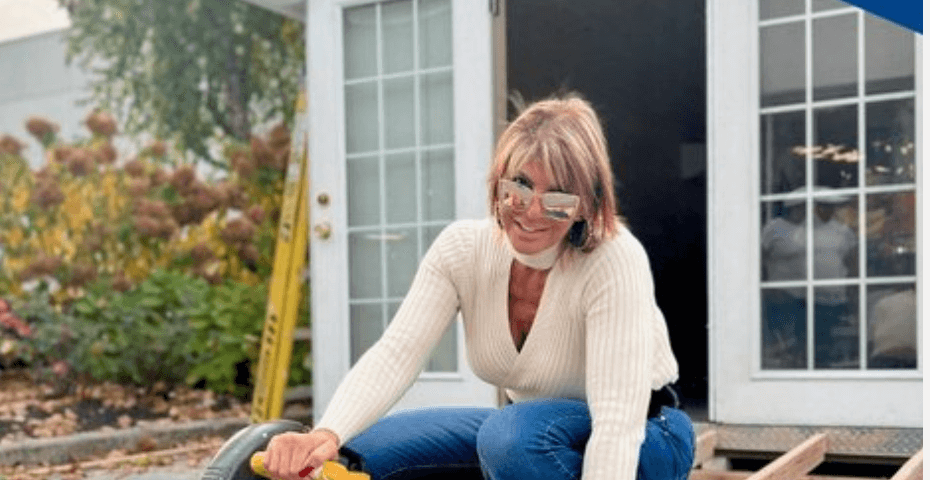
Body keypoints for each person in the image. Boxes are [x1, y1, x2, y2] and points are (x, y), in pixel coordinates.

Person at [263, 94, 694, 480]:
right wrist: (326, 432)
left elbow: (618, 421)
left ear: (586, 207)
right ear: (498, 181)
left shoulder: (614, 259)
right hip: (535, 431)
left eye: (559, 198)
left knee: (511, 440)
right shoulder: (462, 250)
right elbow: (396, 354)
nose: (532, 212)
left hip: (645, 435)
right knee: (366, 450)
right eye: (519, 187)